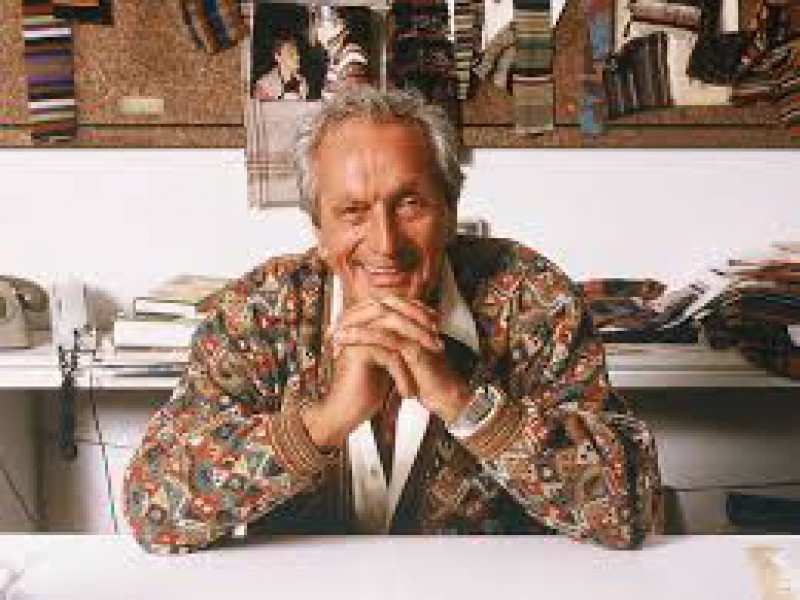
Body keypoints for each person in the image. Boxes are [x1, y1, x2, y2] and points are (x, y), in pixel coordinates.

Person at [123, 87, 662, 554]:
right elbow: (152, 509)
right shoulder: (261, 311)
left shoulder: (533, 301)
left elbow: (631, 510)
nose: (385, 244)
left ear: (450, 212)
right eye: (352, 212)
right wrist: (326, 421)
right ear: (318, 228)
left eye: (409, 205)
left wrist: (462, 402)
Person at [311, 6, 372, 100]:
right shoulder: (335, 56)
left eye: (329, 22)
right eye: (319, 22)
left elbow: (352, 100)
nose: (320, 28)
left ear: (343, 27)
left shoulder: (353, 56)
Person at [253, 32, 309, 101]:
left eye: (297, 53)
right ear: (277, 57)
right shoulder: (264, 86)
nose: (297, 57)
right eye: (291, 53)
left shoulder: (302, 82)